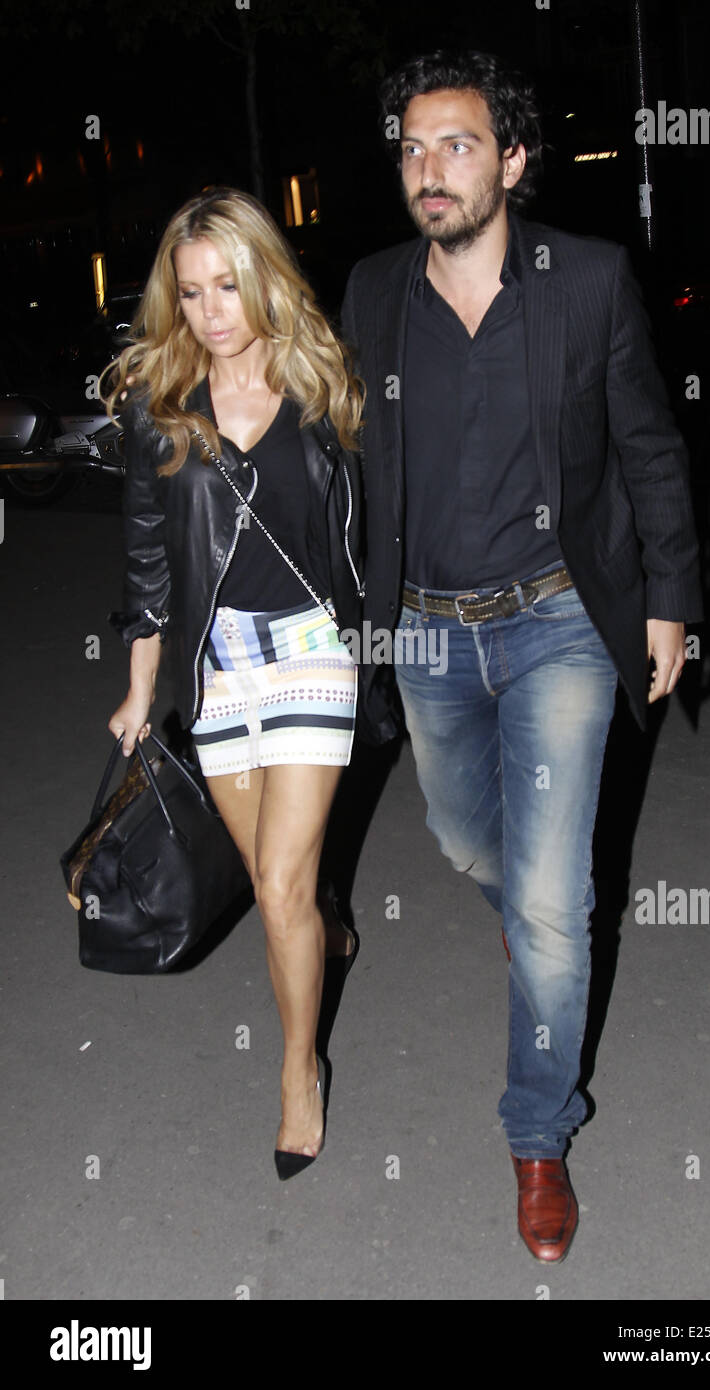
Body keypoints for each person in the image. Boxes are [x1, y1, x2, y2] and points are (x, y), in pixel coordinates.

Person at [342, 51, 703, 1262]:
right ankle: (532, 913)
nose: (427, 168)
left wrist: (668, 597)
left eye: (454, 145)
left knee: (551, 908)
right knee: (460, 841)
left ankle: (537, 1136)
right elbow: (336, 463)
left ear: (509, 159)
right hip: (426, 629)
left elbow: (649, 444)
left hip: (557, 620)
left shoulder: (585, 283)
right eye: (410, 148)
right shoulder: (373, 291)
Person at [106, 187, 370, 1179]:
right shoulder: (159, 409)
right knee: (281, 884)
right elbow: (144, 566)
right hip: (219, 667)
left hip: (309, 650)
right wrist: (140, 687)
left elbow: (369, 520)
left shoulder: (324, 384)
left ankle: (298, 1074)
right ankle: (325, 924)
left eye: (229, 283)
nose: (213, 309)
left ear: (264, 277)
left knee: (274, 885)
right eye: (192, 291)